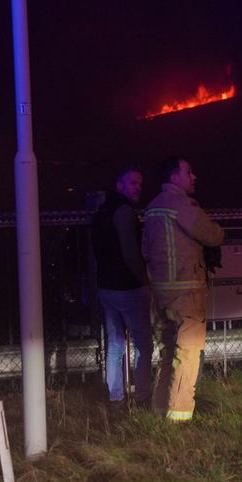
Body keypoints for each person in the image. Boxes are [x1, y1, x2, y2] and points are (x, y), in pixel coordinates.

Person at [142, 156, 224, 422]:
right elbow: (211, 234)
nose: (194, 177)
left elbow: (145, 249)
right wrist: (219, 232)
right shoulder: (182, 205)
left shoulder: (153, 207)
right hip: (186, 292)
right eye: (189, 172)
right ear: (174, 177)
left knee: (167, 352)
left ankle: (159, 408)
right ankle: (179, 416)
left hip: (160, 292)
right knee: (187, 352)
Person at [91, 165, 152, 410]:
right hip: (128, 287)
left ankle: (115, 397)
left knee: (115, 344)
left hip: (106, 287)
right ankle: (143, 396)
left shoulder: (101, 212)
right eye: (133, 183)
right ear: (120, 185)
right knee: (143, 344)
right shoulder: (125, 211)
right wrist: (143, 281)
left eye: (140, 183)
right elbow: (129, 252)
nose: (138, 187)